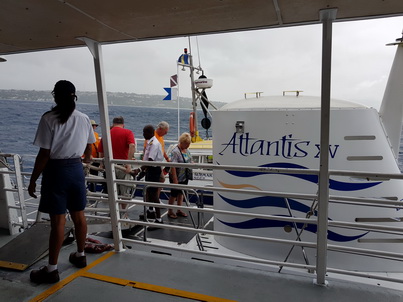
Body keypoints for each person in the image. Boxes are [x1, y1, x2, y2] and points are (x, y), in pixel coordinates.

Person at [28, 80, 96, 284]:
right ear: (74, 96)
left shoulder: (48, 119)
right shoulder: (84, 118)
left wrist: (32, 180)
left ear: (55, 96)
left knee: (58, 221)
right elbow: (89, 150)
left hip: (56, 172)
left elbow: (44, 154)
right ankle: (81, 254)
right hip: (76, 170)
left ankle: (52, 269)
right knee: (79, 215)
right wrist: (82, 162)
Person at [98, 116, 136, 198]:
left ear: (113, 123)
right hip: (123, 167)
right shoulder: (128, 132)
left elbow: (101, 151)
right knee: (124, 192)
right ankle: (123, 210)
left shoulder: (106, 133)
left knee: (112, 191)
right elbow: (132, 146)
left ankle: (113, 210)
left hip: (109, 166)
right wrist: (128, 163)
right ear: (123, 124)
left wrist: (101, 164)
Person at [141, 124, 164, 225]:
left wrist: (141, 170)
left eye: (144, 132)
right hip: (150, 169)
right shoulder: (150, 142)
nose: (143, 134)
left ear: (150, 133)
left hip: (154, 170)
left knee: (154, 194)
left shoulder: (154, 144)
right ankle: (150, 211)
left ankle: (159, 218)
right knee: (149, 192)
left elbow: (150, 160)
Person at [167, 133, 192, 218]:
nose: (188, 146)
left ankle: (179, 209)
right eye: (187, 144)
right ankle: (170, 211)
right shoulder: (175, 151)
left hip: (184, 176)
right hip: (176, 176)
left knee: (181, 193)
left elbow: (189, 159)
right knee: (174, 194)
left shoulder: (186, 150)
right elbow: (173, 166)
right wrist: (175, 179)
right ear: (182, 142)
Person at [88, 119, 100, 192]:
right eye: (92, 126)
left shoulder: (96, 135)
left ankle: (93, 190)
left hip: (95, 159)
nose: (93, 127)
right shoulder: (84, 134)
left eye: (94, 126)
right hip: (87, 159)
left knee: (94, 176)